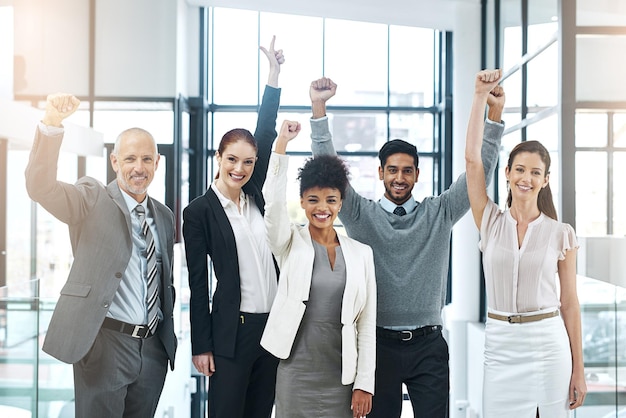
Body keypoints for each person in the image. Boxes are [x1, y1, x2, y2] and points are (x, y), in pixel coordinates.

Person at [308, 75, 505, 417]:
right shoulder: (360, 213)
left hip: (428, 344)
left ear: (417, 174)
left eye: (407, 171)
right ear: (381, 172)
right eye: (393, 170)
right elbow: (328, 170)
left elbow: (480, 172)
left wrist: (495, 116)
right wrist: (318, 108)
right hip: (376, 345)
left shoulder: (439, 212)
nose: (400, 178)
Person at [25, 94, 177, 417]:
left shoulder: (163, 216)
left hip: (151, 351)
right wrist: (52, 124)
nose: (139, 167)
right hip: (105, 346)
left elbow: (165, 284)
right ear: (114, 161)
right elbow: (41, 187)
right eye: (131, 158)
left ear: (157, 163)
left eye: (147, 159)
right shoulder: (92, 197)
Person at [465, 71, 587, 418]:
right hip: (500, 346)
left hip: (548, 346)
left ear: (546, 180)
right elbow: (472, 161)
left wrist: (579, 368)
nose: (526, 178)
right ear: (507, 173)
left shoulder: (561, 233)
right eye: (520, 170)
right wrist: (480, 97)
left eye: (535, 172)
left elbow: (570, 304)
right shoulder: (489, 222)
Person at [182, 36, 284, 418]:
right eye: (232, 160)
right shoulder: (199, 212)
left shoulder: (254, 195)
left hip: (272, 331)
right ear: (219, 157)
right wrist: (201, 345)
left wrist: (274, 75)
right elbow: (197, 283)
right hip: (232, 334)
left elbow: (267, 131)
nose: (239, 169)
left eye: (248, 161)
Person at [260, 120, 377, 418]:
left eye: (330, 200)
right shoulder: (289, 244)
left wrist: (365, 383)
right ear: (301, 201)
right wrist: (281, 146)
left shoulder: (362, 254)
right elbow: (272, 206)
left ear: (340, 203)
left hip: (342, 377)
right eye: (312, 200)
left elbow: (366, 325)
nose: (321, 207)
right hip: (295, 374)